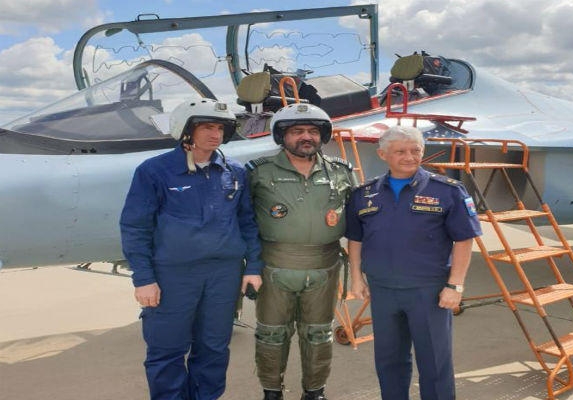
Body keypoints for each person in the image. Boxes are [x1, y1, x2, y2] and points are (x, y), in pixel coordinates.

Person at [119, 98, 263, 400]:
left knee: (214, 348)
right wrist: (144, 278)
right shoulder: (155, 171)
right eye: (207, 127)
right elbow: (135, 227)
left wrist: (252, 267)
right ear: (186, 129)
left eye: (221, 128)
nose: (216, 134)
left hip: (223, 274)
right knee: (167, 350)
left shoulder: (234, 172)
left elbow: (247, 223)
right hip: (173, 275)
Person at [345, 125, 482, 400]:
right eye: (400, 151)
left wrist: (455, 285)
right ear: (383, 154)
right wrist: (357, 278)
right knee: (389, 360)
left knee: (434, 362)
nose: (409, 157)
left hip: (429, 291)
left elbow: (464, 239)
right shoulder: (364, 193)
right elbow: (356, 239)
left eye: (415, 150)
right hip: (383, 290)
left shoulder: (447, 191)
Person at [246, 103, 356, 400]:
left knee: (319, 334)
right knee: (271, 334)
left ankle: (315, 392)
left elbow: (358, 221)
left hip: (325, 267)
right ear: (282, 136)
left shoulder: (341, 172)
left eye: (312, 131)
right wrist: (249, 267)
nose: (306, 137)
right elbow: (243, 222)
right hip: (274, 267)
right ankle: (272, 392)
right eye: (297, 131)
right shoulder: (259, 172)